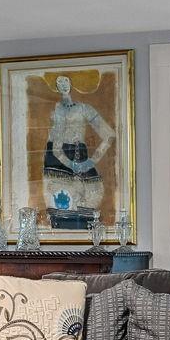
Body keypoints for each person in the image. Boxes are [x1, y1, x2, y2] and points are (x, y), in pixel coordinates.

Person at [40, 74, 115, 229]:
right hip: (56, 163)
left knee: (91, 196)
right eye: (59, 82)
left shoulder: (83, 108)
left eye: (65, 80)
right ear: (56, 87)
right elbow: (55, 145)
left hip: (80, 157)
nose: (63, 84)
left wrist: (92, 161)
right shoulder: (57, 111)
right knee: (61, 207)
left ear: (71, 83)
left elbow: (109, 135)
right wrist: (69, 163)